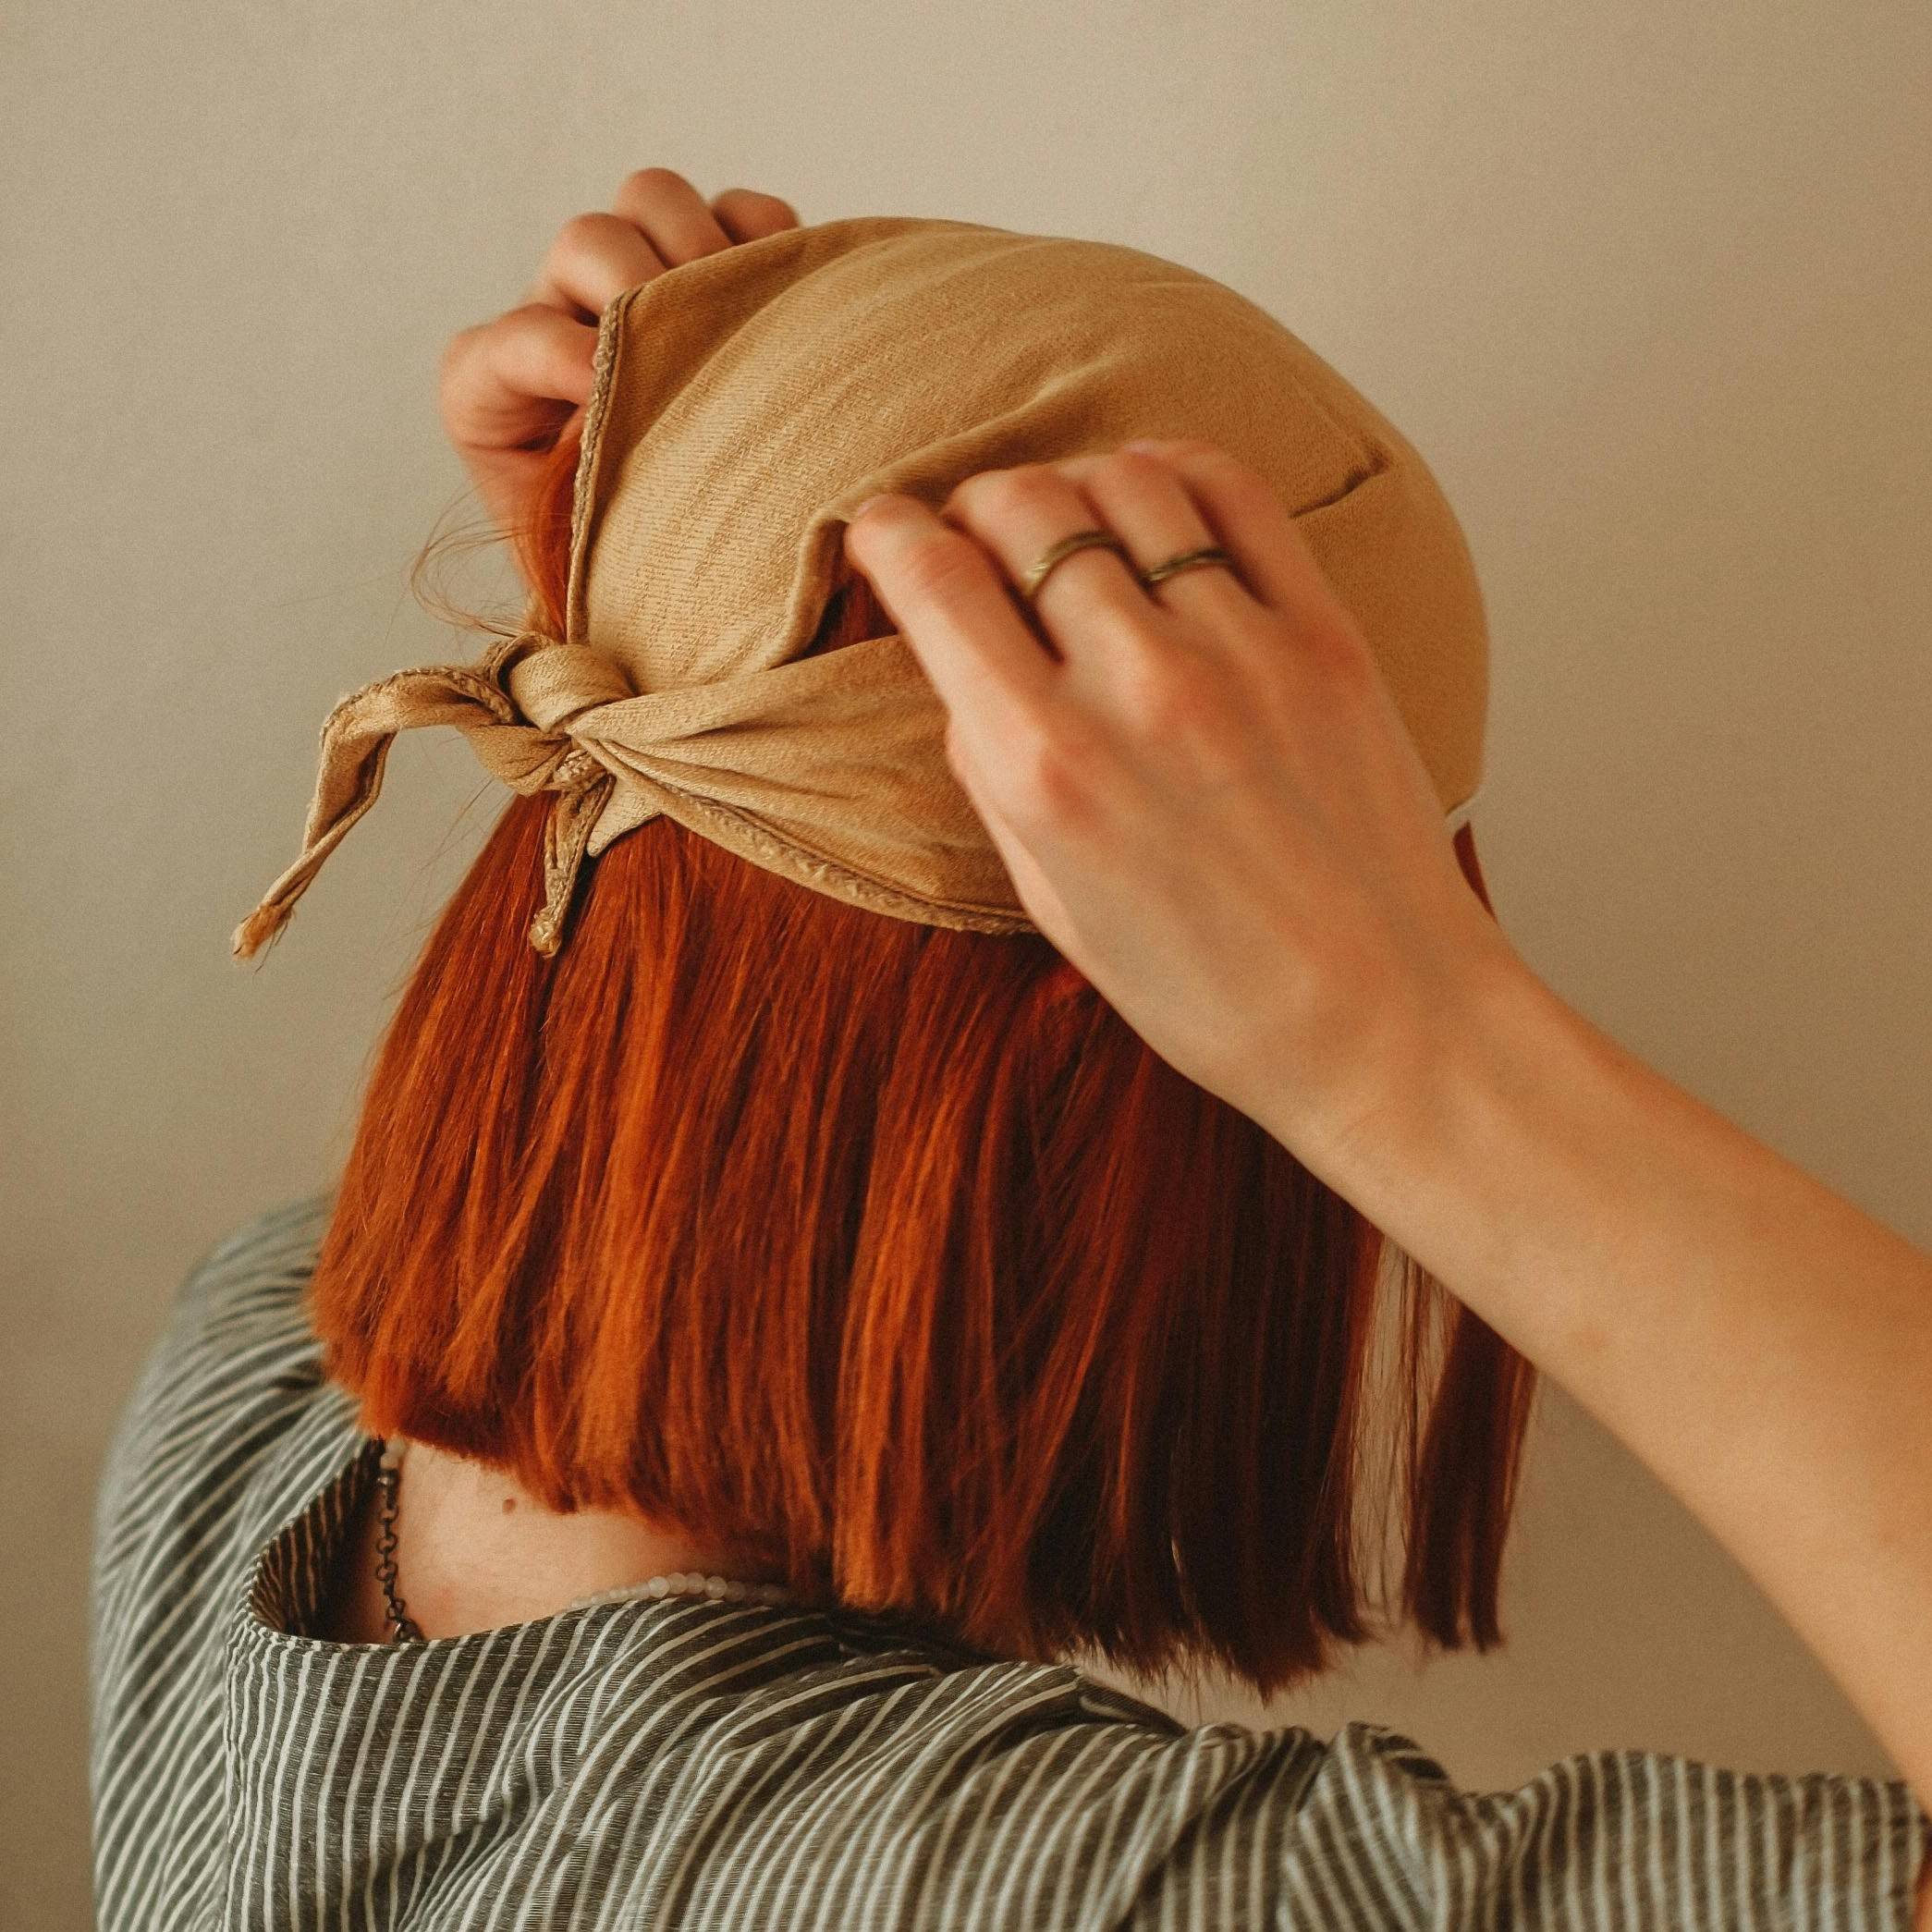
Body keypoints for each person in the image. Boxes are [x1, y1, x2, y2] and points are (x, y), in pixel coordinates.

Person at [88, 169, 1932, 1929]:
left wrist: (669, 578)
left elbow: (652, 1027)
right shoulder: (999, 1881)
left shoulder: (244, 1387)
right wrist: (1419, 1047)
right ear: (1152, 1054)